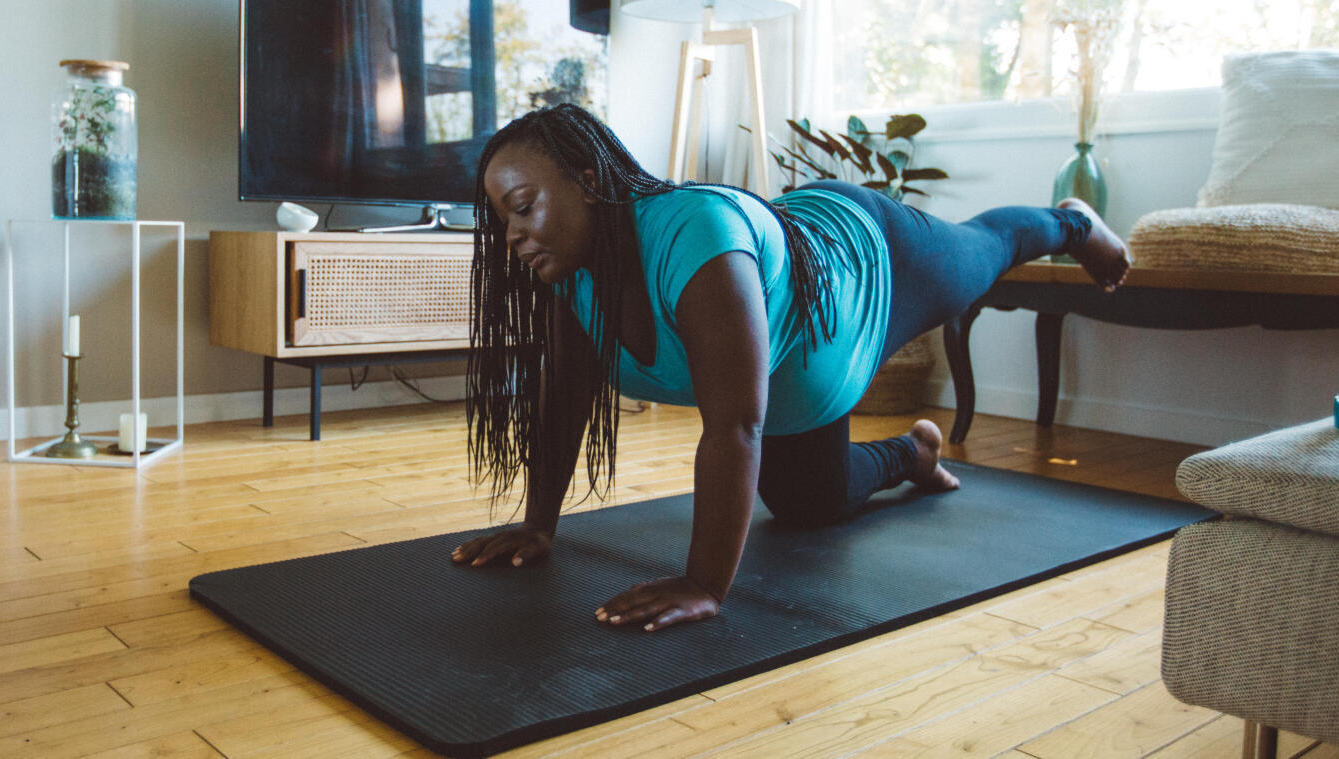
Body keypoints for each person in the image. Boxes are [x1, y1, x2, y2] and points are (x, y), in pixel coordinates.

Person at [450, 104, 1132, 633]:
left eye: (522, 208)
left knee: (985, 249)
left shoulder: (697, 238)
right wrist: (538, 524)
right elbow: (563, 401)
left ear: (589, 184)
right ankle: (915, 450)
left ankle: (1070, 222)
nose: (511, 237)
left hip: (866, 264)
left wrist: (704, 584)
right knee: (810, 504)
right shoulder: (568, 277)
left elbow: (737, 428)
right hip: (800, 381)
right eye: (501, 221)